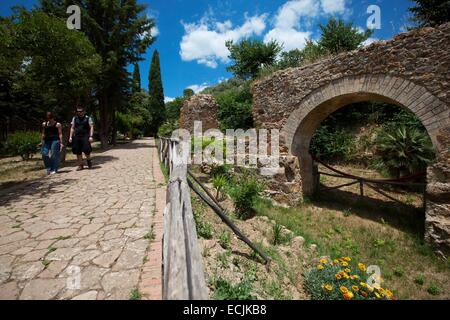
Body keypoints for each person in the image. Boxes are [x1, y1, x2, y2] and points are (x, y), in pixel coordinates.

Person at [69, 106, 94, 171]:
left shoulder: (88, 118)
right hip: (76, 136)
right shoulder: (74, 118)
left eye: (80, 111)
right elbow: (72, 127)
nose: (79, 112)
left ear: (83, 111)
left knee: (86, 149)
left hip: (85, 136)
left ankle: (88, 160)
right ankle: (80, 165)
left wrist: (91, 136)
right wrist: (70, 137)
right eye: (78, 111)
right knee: (78, 151)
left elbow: (91, 127)